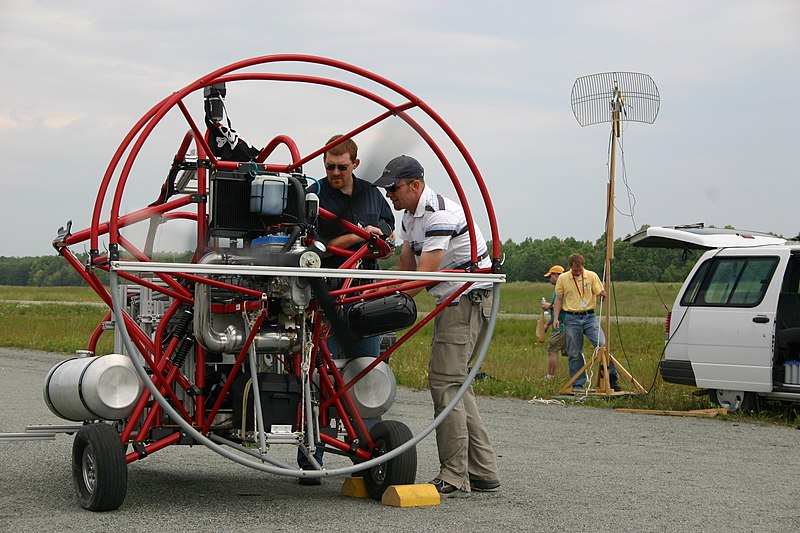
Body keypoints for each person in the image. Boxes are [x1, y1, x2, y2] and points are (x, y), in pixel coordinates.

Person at [374, 155, 500, 499]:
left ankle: (455, 475)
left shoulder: (439, 214)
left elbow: (423, 275)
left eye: (394, 188)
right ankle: (483, 470)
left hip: (465, 302)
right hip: (453, 302)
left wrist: (371, 301)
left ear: (415, 185)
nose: (389, 195)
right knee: (457, 384)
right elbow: (405, 266)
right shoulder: (410, 218)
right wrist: (373, 287)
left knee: (444, 383)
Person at [298, 135, 395, 485]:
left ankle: (367, 455)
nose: (335, 172)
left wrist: (379, 235)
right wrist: (357, 237)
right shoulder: (315, 195)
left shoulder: (372, 194)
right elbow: (315, 247)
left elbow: (387, 231)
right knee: (319, 377)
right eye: (329, 167)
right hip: (327, 299)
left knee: (365, 374)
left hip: (365, 299)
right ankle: (311, 458)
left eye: (341, 166)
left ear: (355, 163)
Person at [552, 253, 620, 393]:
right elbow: (558, 300)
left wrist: (602, 295)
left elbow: (599, 293)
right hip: (572, 318)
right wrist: (556, 318)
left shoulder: (592, 276)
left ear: (583, 266)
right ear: (570, 267)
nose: (578, 272)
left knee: (602, 346)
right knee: (574, 352)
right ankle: (578, 384)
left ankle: (611, 378)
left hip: (590, 317)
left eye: (580, 270)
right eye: (575, 270)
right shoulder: (563, 279)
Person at [541, 265, 567, 379]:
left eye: (550, 276)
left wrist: (549, 306)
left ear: (556, 275)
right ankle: (580, 376)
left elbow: (566, 307)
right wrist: (547, 324)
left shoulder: (564, 289)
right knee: (571, 352)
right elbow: (557, 311)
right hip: (562, 324)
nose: (549, 279)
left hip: (562, 326)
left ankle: (550, 377)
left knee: (552, 350)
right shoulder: (557, 290)